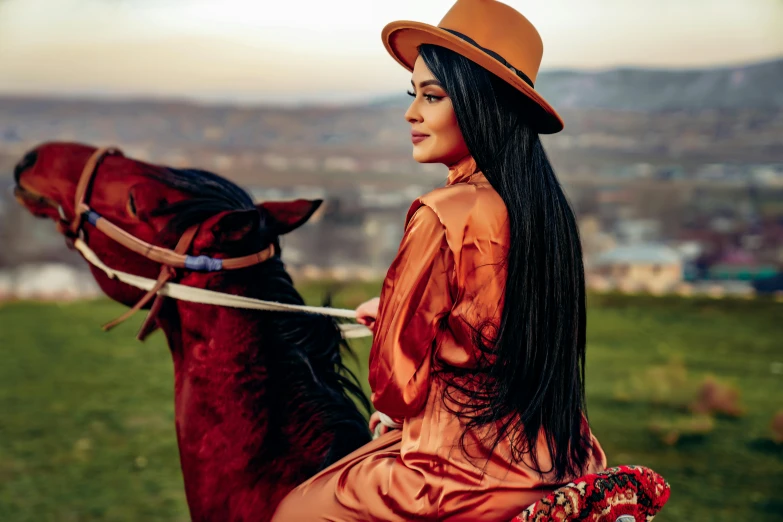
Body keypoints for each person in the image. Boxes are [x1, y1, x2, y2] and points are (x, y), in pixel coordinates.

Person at [271, 1, 606, 520]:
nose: (411, 113)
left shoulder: (441, 213)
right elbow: (490, 324)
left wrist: (394, 332)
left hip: (458, 472)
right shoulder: (546, 210)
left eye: (432, 96)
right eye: (414, 95)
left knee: (295, 511)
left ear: (480, 104)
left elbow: (396, 389)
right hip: (559, 455)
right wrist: (394, 311)